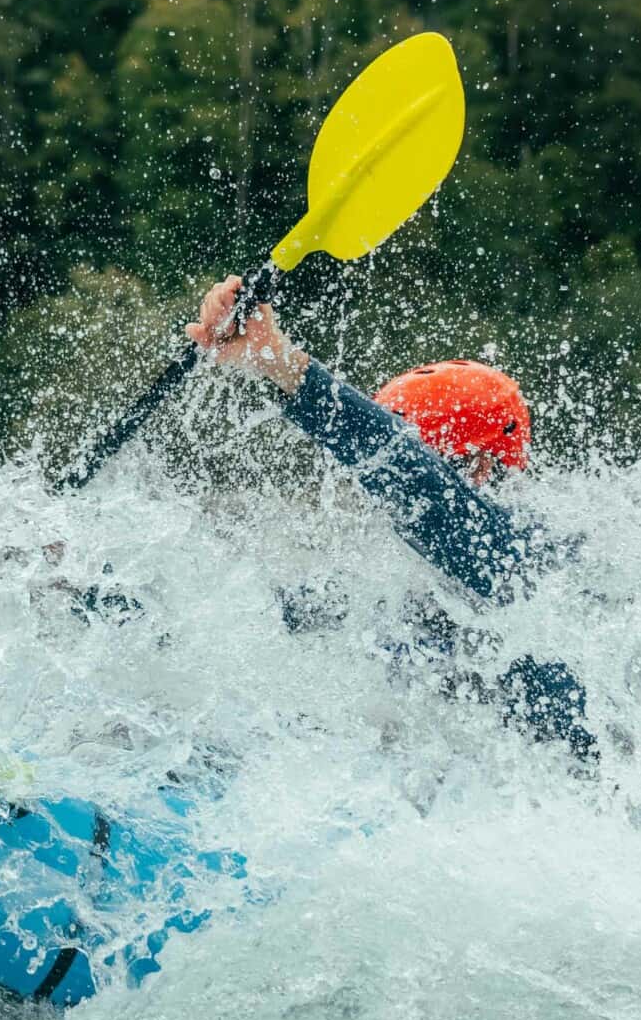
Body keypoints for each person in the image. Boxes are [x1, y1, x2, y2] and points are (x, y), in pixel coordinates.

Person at [183, 275, 594, 761]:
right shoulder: (416, 590)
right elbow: (251, 617)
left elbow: (410, 475)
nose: (387, 502)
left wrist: (275, 357)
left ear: (482, 465)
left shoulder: (528, 556)